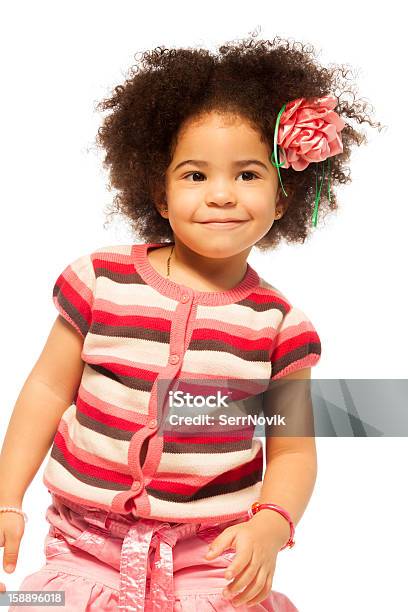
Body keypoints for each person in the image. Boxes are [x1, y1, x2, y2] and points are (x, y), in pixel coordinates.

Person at [0, 34, 381, 611]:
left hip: (212, 561)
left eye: (249, 175)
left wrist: (273, 523)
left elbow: (293, 450)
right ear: (159, 191)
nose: (222, 195)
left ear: (284, 198)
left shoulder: (279, 327)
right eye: (196, 175)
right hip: (85, 550)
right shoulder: (100, 282)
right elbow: (48, 389)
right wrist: (8, 497)